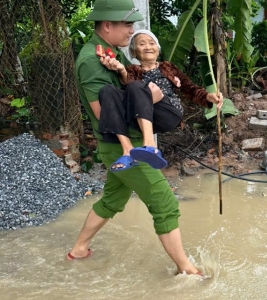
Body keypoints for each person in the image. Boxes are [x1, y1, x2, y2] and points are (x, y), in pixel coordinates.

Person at [68, 0, 220, 277]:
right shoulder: (92, 60)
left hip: (127, 144)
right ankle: (186, 270)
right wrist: (151, 98)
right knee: (165, 202)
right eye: (127, 25)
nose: (131, 31)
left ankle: (79, 248)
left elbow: (160, 88)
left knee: (112, 201)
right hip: (124, 145)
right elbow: (104, 113)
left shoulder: (111, 53)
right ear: (107, 25)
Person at [97, 29, 223, 172]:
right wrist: (122, 71)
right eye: (142, 44)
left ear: (158, 49)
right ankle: (128, 151)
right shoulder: (132, 71)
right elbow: (129, 90)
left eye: (151, 43)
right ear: (133, 52)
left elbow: (189, 88)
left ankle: (150, 145)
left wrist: (208, 96)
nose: (148, 47)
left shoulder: (167, 67)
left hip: (168, 113)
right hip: (142, 115)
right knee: (107, 91)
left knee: (137, 86)